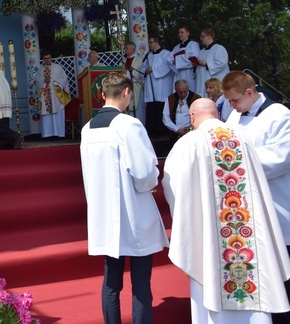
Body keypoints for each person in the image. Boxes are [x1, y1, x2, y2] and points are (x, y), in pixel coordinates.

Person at [163, 98, 290, 322]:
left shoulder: (188, 143)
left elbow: (173, 186)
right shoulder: (243, 139)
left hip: (209, 235)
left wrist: (187, 223)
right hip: (247, 232)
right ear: (218, 115)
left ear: (192, 117)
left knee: (210, 277)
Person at [80, 72, 169, 324]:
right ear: (127, 93)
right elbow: (144, 173)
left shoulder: (88, 129)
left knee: (111, 281)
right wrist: (151, 182)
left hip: (104, 214)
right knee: (141, 282)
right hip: (133, 213)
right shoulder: (129, 125)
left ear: (102, 95)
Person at [223, 70, 290, 320]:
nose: (230, 106)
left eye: (234, 100)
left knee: (284, 275)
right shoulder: (234, 115)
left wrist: (234, 162)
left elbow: (280, 158)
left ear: (249, 92)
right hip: (246, 210)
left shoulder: (280, 115)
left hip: (278, 205)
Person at [142, 35, 174, 137]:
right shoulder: (148, 55)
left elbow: (168, 67)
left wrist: (154, 70)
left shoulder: (166, 54)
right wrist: (145, 71)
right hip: (151, 86)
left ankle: (163, 131)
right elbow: (142, 67)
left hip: (162, 85)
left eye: (150, 43)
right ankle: (152, 131)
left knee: (161, 106)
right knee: (152, 107)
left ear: (156, 42)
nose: (149, 45)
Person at [38, 51, 69, 139]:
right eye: (45, 58)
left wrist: (59, 85)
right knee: (47, 114)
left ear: (51, 58)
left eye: (49, 58)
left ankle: (59, 134)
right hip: (45, 94)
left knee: (57, 113)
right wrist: (43, 80)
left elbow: (64, 78)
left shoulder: (58, 67)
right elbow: (37, 80)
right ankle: (48, 134)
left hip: (55, 94)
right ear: (43, 59)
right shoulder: (41, 69)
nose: (47, 60)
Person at [194, 28, 229, 98]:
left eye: (202, 36)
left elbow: (222, 63)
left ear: (209, 37)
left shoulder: (219, 48)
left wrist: (207, 64)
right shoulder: (201, 52)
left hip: (214, 81)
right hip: (201, 82)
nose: (200, 38)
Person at [123, 41, 146, 125]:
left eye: (127, 48)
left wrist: (134, 77)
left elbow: (141, 72)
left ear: (133, 49)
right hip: (126, 86)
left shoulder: (140, 59)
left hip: (136, 86)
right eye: (125, 48)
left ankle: (140, 124)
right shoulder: (124, 60)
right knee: (128, 107)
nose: (125, 50)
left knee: (138, 108)